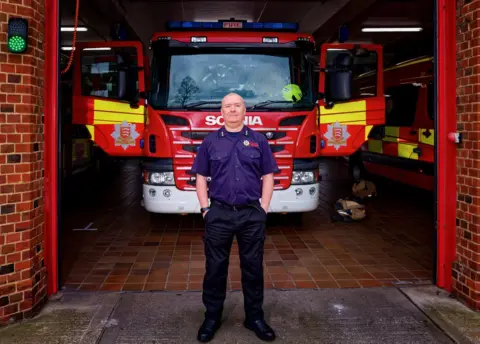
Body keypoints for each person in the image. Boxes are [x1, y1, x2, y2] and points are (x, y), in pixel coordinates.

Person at [190, 92, 279, 342]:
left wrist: (264, 207)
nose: (232, 110)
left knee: (253, 268)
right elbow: (200, 177)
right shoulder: (209, 142)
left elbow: (268, 175)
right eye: (227, 106)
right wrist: (205, 208)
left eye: (237, 105)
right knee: (215, 269)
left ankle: (255, 318)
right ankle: (212, 317)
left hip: (252, 214)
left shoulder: (259, 140)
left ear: (244, 110)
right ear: (221, 112)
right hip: (219, 213)